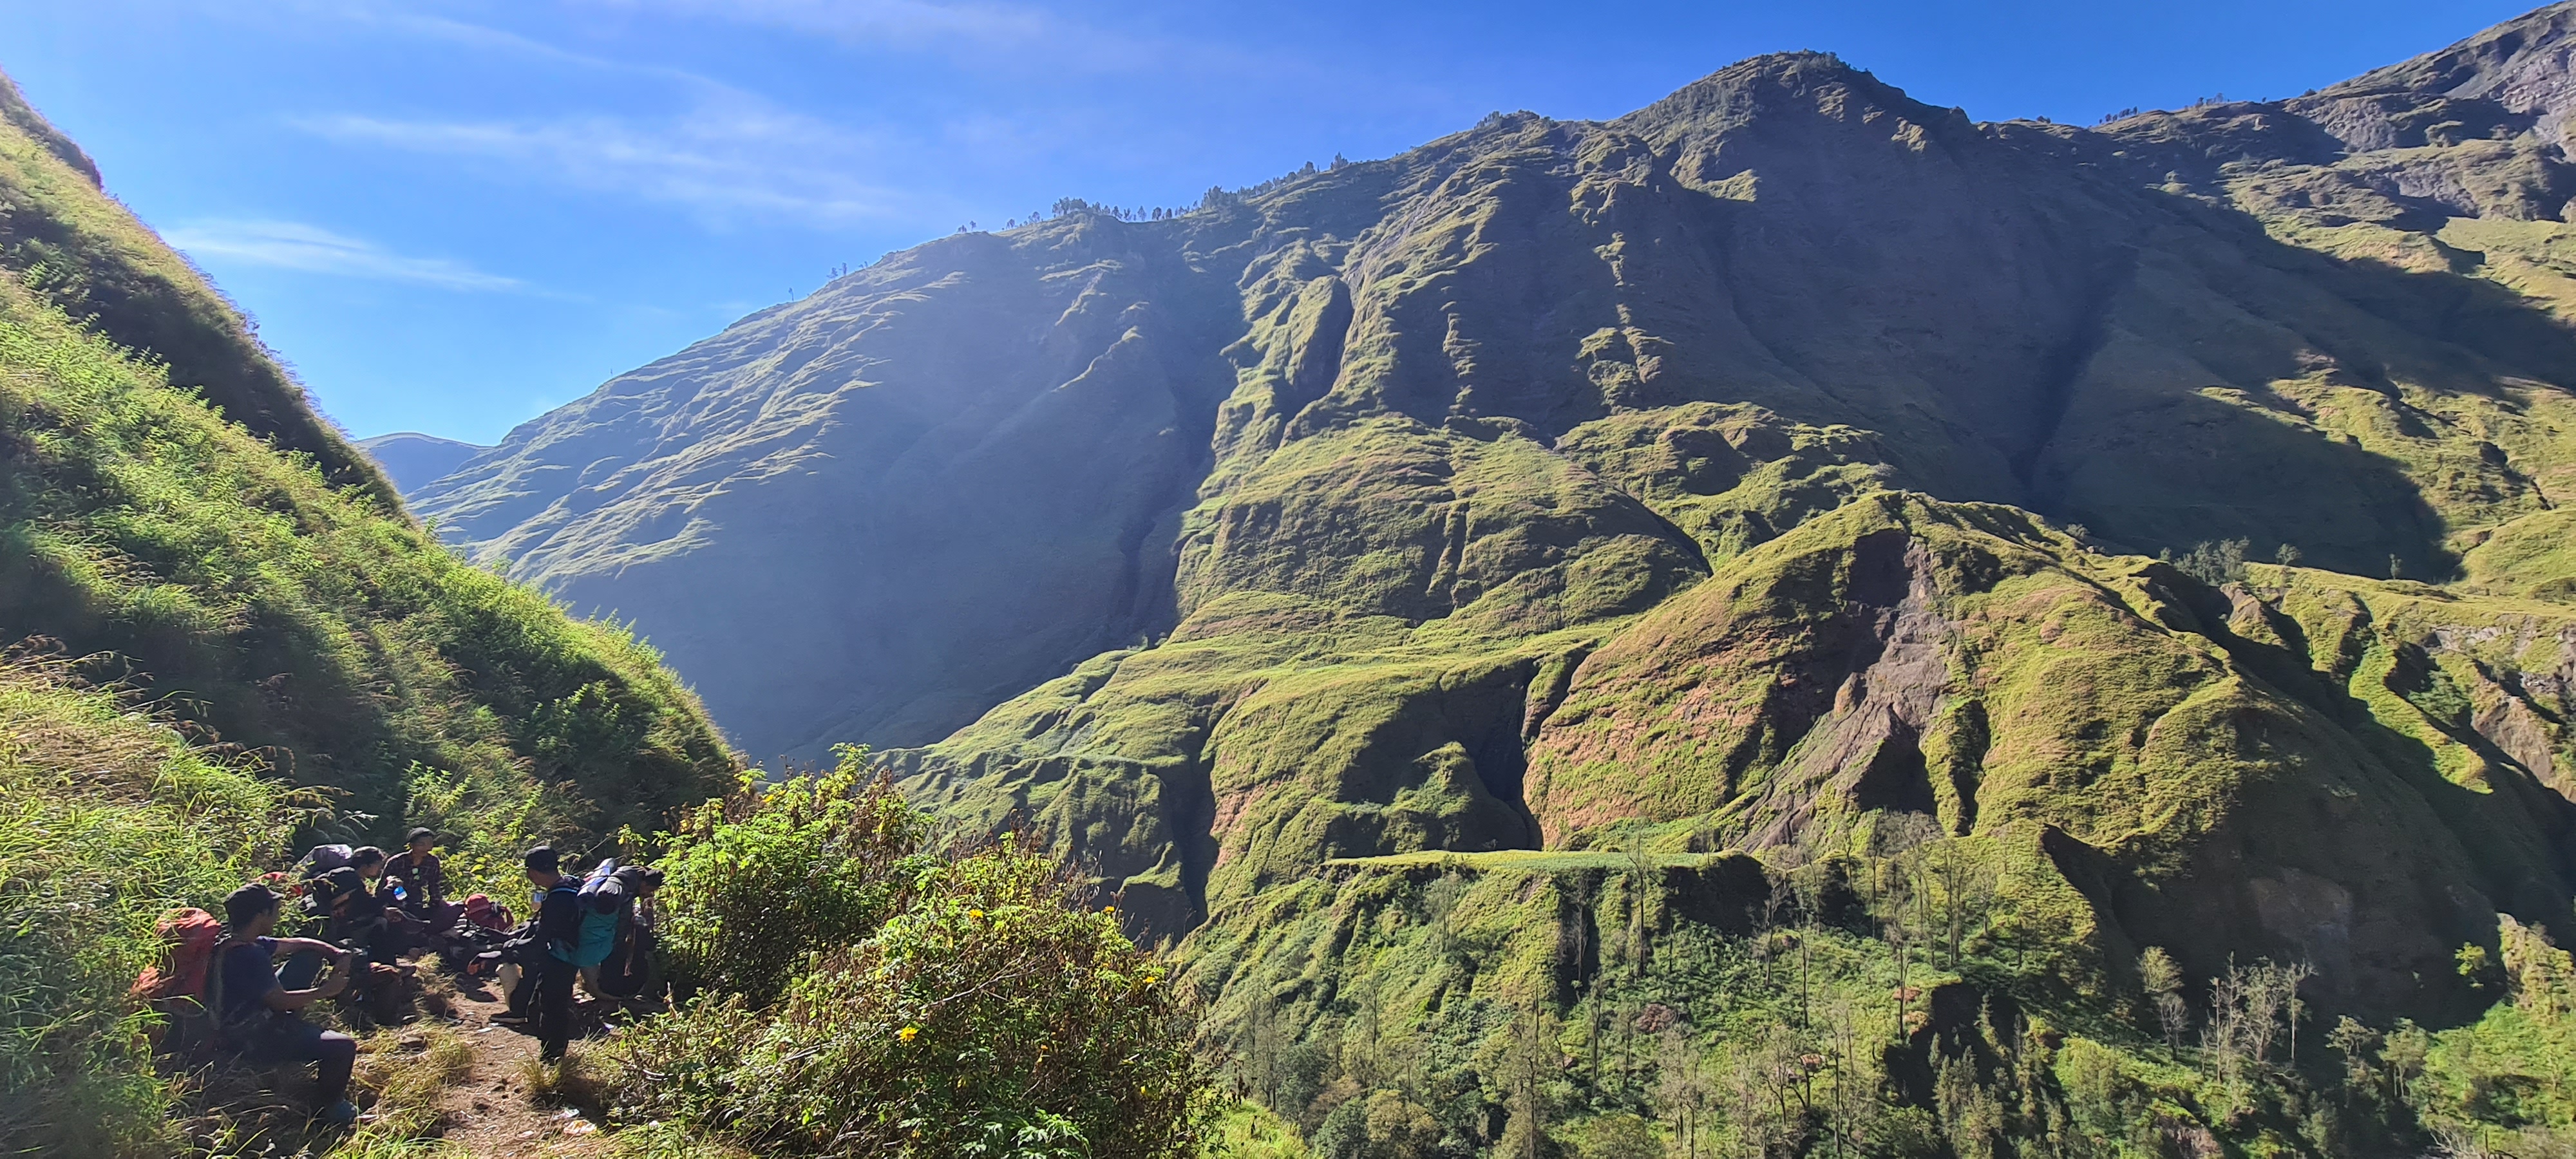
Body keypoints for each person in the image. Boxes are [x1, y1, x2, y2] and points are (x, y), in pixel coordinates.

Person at [214, 883, 361, 1124]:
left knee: (309, 955)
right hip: (252, 1036)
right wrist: (326, 991)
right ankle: (331, 1108)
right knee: (343, 1047)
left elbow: (294, 944)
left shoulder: (236, 940)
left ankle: (296, 1030)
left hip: (245, 1014)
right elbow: (279, 1002)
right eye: (275, 909)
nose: (278, 913)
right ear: (262, 914)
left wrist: (331, 951)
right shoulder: (249, 955)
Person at [500, 845, 583, 1062]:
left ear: (532, 873)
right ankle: (555, 1053)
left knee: (552, 1008)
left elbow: (541, 939)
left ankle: (551, 1058)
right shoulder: (571, 884)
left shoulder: (557, 899)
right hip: (571, 954)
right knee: (557, 1004)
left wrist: (513, 947)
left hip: (558, 959)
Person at [383, 827, 463, 931]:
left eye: (429, 844)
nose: (426, 848)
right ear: (412, 845)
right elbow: (382, 886)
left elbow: (434, 885)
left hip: (416, 897)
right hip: (396, 897)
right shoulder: (396, 861)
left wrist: (438, 902)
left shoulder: (432, 862)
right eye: (422, 844)